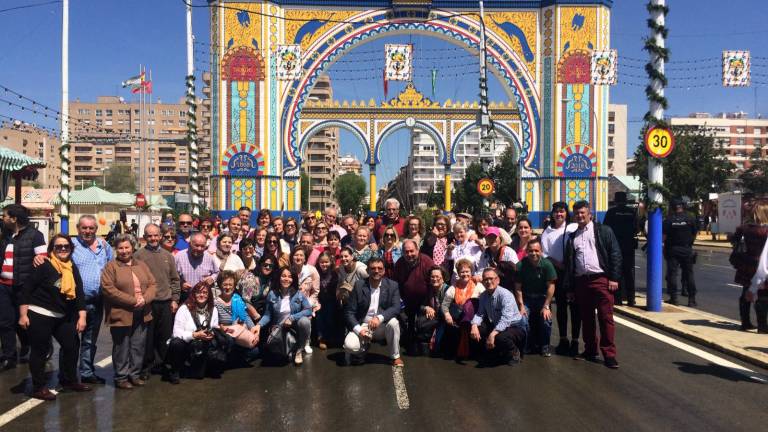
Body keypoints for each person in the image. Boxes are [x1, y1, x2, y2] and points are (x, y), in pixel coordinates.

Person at [19, 234, 90, 400]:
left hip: (63, 315)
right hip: (40, 313)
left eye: (66, 246)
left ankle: (69, 380)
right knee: (39, 350)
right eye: (58, 247)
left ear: (71, 249)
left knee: (72, 345)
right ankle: (38, 387)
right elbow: (26, 289)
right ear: (52, 249)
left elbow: (79, 293)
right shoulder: (44, 265)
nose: (63, 249)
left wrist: (82, 317)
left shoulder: (72, 267)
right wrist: (23, 315)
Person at [563, 201, 622, 369]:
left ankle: (609, 354)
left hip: (601, 280)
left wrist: (614, 278)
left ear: (590, 213)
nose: (580, 216)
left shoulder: (604, 231)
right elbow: (570, 264)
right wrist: (570, 288)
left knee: (605, 318)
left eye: (582, 212)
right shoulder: (573, 237)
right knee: (586, 319)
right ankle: (590, 350)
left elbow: (615, 254)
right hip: (581, 281)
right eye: (577, 213)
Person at [101, 234, 157, 389]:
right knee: (122, 346)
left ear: (133, 248)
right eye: (120, 248)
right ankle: (121, 377)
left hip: (142, 311)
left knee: (138, 345)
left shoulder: (141, 265)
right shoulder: (111, 267)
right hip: (122, 312)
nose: (124, 251)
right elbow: (108, 289)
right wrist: (133, 301)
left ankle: (134, 374)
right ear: (116, 249)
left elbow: (153, 284)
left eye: (127, 247)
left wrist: (145, 299)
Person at [0, 204, 46, 370]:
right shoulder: (5, 235)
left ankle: (35, 347)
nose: (2, 218)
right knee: (5, 322)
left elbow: (42, 260)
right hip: (4, 286)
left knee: (25, 323)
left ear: (14, 218)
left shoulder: (35, 236)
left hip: (25, 287)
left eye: (5, 215)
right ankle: (9, 356)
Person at [68, 215, 113, 385]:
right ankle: (67, 375)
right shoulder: (71, 246)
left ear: (96, 229)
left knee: (89, 340)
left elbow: (112, 267)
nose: (87, 231)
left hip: (98, 300)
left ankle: (87, 372)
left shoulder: (104, 246)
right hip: (75, 301)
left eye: (91, 228)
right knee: (70, 340)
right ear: (78, 228)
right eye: (84, 228)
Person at [135, 224, 181, 381]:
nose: (153, 238)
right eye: (150, 236)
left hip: (166, 302)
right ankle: (146, 366)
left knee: (164, 336)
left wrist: (175, 299)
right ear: (145, 237)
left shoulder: (168, 256)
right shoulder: (138, 256)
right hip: (147, 303)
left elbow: (175, 280)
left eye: (156, 235)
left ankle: (162, 365)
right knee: (147, 337)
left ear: (160, 236)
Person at [343, 257, 404, 366]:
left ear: (384, 271)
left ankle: (395, 356)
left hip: (382, 325)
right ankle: (363, 348)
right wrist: (359, 331)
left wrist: (379, 317)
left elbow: (396, 307)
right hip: (363, 325)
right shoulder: (359, 285)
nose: (376, 271)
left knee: (394, 323)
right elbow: (349, 312)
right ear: (367, 270)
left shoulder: (392, 285)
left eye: (380, 268)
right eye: (373, 268)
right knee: (349, 346)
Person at [540, 202, 580, 356]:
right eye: (556, 212)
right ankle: (563, 339)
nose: (559, 214)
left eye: (562, 211)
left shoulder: (572, 228)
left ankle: (575, 341)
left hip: (572, 273)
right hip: (557, 273)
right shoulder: (547, 231)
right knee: (561, 308)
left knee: (575, 308)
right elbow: (544, 253)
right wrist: (557, 264)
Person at [165, 282, 223, 384]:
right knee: (176, 343)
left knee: (198, 376)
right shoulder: (184, 308)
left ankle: (204, 367)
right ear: (193, 294)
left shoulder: (213, 309)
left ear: (209, 295)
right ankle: (175, 371)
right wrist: (194, 335)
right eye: (199, 292)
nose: (202, 295)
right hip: (186, 344)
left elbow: (214, 326)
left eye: (205, 292)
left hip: (202, 344)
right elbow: (176, 332)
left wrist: (212, 333)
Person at [254, 267, 313, 365]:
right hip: (279, 328)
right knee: (282, 358)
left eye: (290, 277)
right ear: (279, 278)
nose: (286, 279)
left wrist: (292, 318)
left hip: (294, 326)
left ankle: (299, 350)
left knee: (304, 321)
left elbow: (308, 310)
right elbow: (267, 315)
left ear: (293, 279)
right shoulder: (272, 294)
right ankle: (289, 349)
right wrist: (259, 325)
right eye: (284, 276)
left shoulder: (298, 294)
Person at [470, 267, 527, 367]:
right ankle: (492, 351)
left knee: (501, 337)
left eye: (491, 278)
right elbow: (480, 313)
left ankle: (515, 353)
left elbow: (506, 319)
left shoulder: (505, 295)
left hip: (515, 326)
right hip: (498, 324)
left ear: (498, 280)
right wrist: (474, 325)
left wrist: (492, 334)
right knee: (479, 329)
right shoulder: (483, 295)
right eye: (485, 279)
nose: (488, 281)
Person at [514, 239, 556, 357]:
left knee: (546, 320)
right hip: (526, 299)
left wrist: (546, 306)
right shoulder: (521, 265)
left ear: (541, 251)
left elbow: (551, 286)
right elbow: (518, 287)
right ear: (527, 252)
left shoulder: (547, 265)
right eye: (531, 251)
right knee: (522, 320)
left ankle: (545, 346)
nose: (534, 253)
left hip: (542, 299)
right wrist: (521, 306)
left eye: (536, 250)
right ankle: (527, 345)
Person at [730, 201, 768, 331]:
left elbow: (734, 242)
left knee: (746, 292)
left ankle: (745, 322)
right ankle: (762, 325)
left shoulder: (743, 228)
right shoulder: (765, 231)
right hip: (762, 264)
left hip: (746, 263)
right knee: (763, 294)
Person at [393, 239, 435, 355]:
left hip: (425, 301)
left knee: (423, 324)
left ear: (418, 250)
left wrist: (430, 305)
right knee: (405, 330)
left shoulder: (427, 261)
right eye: (406, 252)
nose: (409, 254)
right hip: (407, 302)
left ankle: (425, 342)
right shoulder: (400, 264)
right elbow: (395, 286)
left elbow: (435, 283)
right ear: (402, 253)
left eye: (412, 251)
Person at [441, 258, 485, 361]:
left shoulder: (478, 286)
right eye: (462, 272)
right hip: (459, 317)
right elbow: (444, 305)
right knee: (451, 327)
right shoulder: (453, 288)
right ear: (458, 273)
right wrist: (447, 315)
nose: (465, 274)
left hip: (476, 318)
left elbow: (485, 303)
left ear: (471, 272)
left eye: (467, 271)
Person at [215, 271, 260, 365]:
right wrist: (229, 328)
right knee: (229, 341)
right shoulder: (216, 303)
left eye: (230, 285)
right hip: (225, 334)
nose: (228, 287)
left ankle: (233, 360)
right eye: (225, 284)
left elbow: (246, 316)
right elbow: (215, 323)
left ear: (234, 286)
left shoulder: (237, 299)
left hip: (241, 334)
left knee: (255, 351)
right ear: (220, 285)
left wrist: (253, 329)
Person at [603, 191, 639, 306]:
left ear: (616, 200)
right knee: (629, 273)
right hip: (629, 246)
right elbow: (637, 228)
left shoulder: (611, 212)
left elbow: (606, 228)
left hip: (615, 246)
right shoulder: (632, 212)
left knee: (616, 271)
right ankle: (631, 299)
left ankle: (617, 299)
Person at [663, 199, 698, 306]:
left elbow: (663, 236)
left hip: (672, 249)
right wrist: (689, 243)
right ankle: (691, 299)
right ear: (682, 206)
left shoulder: (669, 220)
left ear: (672, 207)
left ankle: (674, 298)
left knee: (672, 274)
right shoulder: (690, 218)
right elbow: (694, 233)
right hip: (686, 249)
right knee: (689, 274)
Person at [175, 233, 219, 303]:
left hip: (203, 297)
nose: (199, 249)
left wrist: (212, 278)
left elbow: (217, 272)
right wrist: (181, 283)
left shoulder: (209, 257)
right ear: (190, 244)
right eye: (196, 245)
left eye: (202, 246)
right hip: (185, 297)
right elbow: (173, 276)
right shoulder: (179, 257)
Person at [315, 252, 340, 349]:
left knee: (330, 317)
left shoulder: (334, 273)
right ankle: (321, 338)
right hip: (319, 299)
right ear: (318, 262)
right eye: (322, 262)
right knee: (320, 318)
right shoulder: (316, 272)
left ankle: (330, 337)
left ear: (330, 262)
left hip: (331, 300)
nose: (324, 264)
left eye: (326, 262)